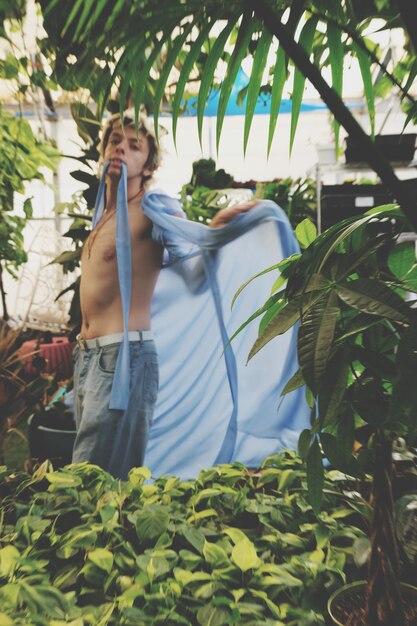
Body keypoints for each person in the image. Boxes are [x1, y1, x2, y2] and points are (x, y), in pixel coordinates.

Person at [71, 110, 257, 478]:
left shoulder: (152, 208)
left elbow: (193, 267)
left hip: (122, 359)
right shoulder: (103, 217)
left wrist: (214, 232)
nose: (121, 149)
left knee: (86, 479)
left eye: (134, 146)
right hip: (88, 359)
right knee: (102, 487)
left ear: (149, 166)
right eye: (115, 141)